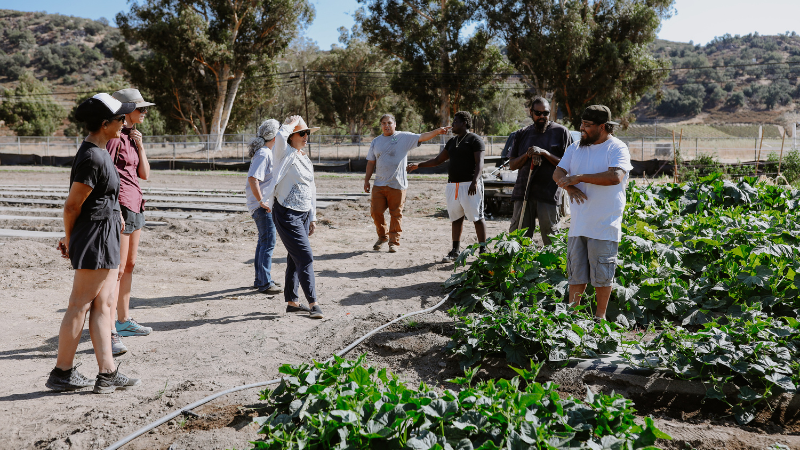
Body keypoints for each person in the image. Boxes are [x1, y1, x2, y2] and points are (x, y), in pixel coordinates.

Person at [46, 93, 141, 394]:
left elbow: (102, 198)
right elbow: (72, 206)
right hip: (97, 237)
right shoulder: (92, 156)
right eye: (119, 119)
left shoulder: (100, 151)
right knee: (80, 305)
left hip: (106, 233)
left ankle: (108, 374)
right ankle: (62, 373)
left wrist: (118, 218)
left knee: (104, 305)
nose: (124, 123)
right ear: (104, 124)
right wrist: (70, 239)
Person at [553, 105, 633, 321]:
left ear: (603, 126)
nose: (582, 129)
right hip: (579, 223)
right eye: (582, 124)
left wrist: (578, 177)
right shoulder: (576, 147)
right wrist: (569, 186)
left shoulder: (616, 148)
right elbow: (558, 171)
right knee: (576, 272)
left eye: (587, 125)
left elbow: (615, 176)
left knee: (602, 275)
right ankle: (572, 316)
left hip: (604, 223)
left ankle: (600, 318)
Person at [104, 88, 155, 358]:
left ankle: (123, 322)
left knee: (130, 265)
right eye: (141, 109)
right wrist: (116, 209)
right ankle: (110, 328)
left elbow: (144, 174)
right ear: (126, 111)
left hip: (136, 203)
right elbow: (107, 173)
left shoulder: (133, 137)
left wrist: (140, 145)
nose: (145, 113)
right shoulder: (114, 137)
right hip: (121, 205)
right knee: (118, 270)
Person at [261, 115, 324, 319]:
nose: (306, 136)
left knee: (294, 258)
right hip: (287, 212)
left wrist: (312, 216)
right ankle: (314, 303)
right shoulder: (283, 153)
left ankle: (292, 302)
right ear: (291, 136)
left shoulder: (304, 157)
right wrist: (288, 125)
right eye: (302, 133)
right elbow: (280, 138)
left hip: (304, 213)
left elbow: (311, 188)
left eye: (307, 133)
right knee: (305, 256)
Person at [364, 114, 451, 252]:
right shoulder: (376, 141)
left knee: (396, 214)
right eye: (383, 123)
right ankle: (382, 236)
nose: (386, 125)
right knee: (375, 212)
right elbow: (371, 162)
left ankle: (393, 242)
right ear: (381, 125)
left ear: (395, 124)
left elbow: (422, 136)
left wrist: (437, 131)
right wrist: (366, 180)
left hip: (397, 185)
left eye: (389, 123)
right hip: (379, 184)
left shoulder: (403, 138)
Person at [408, 111, 487, 260]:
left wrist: (475, 181)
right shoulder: (452, 142)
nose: (452, 125)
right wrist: (419, 165)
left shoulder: (475, 140)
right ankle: (455, 251)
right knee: (456, 218)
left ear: (464, 123)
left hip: (470, 184)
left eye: (455, 122)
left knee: (477, 217)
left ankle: (483, 251)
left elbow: (480, 163)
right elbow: (438, 160)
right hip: (453, 186)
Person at [507, 97, 573, 245]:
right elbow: (512, 165)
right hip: (523, 193)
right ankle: (518, 268)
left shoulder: (561, 132)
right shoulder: (521, 133)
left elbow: (569, 165)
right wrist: (528, 155)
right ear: (531, 113)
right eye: (538, 113)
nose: (542, 116)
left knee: (552, 239)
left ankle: (554, 268)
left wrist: (544, 153)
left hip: (548, 193)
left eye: (546, 113)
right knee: (518, 238)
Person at [245, 119, 283, 295]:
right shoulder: (264, 154)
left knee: (263, 242)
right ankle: (265, 283)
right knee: (268, 242)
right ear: (275, 136)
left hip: (261, 205)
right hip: (261, 206)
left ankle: (261, 279)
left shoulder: (266, 152)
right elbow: (253, 178)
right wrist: (262, 200)